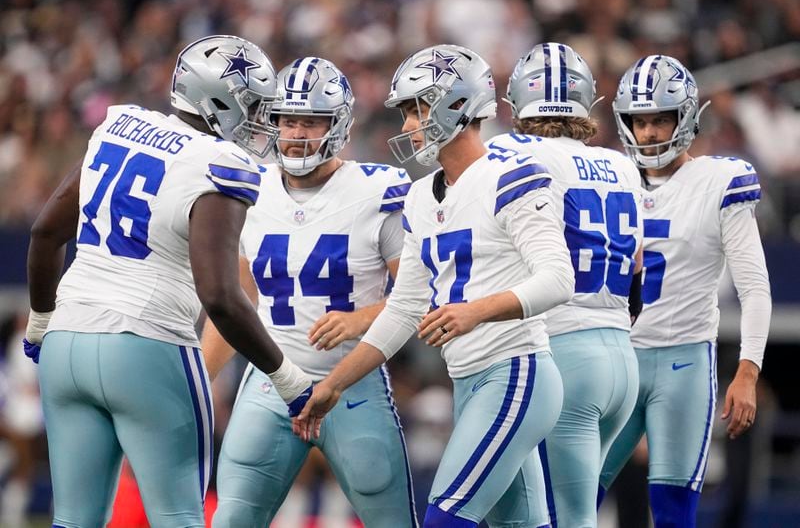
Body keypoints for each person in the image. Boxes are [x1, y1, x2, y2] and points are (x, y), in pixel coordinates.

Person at [22, 35, 313, 528]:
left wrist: (38, 324)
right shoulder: (218, 163)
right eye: (254, 105)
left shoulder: (120, 127)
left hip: (65, 342)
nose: (261, 120)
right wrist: (288, 378)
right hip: (147, 345)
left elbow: (45, 232)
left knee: (73, 520)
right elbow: (220, 296)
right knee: (178, 518)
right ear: (219, 100)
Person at [295, 44, 575, 528]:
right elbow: (404, 308)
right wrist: (334, 385)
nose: (407, 126)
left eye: (416, 110)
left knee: (445, 518)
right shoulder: (422, 195)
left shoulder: (511, 176)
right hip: (469, 380)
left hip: (517, 372)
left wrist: (476, 310)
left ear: (457, 104)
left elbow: (558, 278)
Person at [201, 56, 417, 528]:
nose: (296, 133)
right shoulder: (249, 185)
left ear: (337, 125)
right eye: (287, 120)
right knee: (232, 519)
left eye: (311, 121)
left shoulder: (378, 190)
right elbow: (238, 302)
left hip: (352, 386)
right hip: (270, 382)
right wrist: (198, 379)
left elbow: (418, 297)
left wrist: (361, 319)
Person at [598, 55, 772, 527]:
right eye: (641, 120)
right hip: (614, 359)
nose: (650, 132)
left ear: (687, 116)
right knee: (572, 501)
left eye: (660, 119)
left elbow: (754, 285)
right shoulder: (606, 175)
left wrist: (747, 372)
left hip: (684, 361)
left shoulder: (719, 181)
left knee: (675, 515)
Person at [486, 42, 643, 527]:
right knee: (569, 513)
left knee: (559, 518)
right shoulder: (622, 164)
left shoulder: (510, 152)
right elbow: (637, 265)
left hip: (563, 355)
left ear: (515, 102)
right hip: (621, 353)